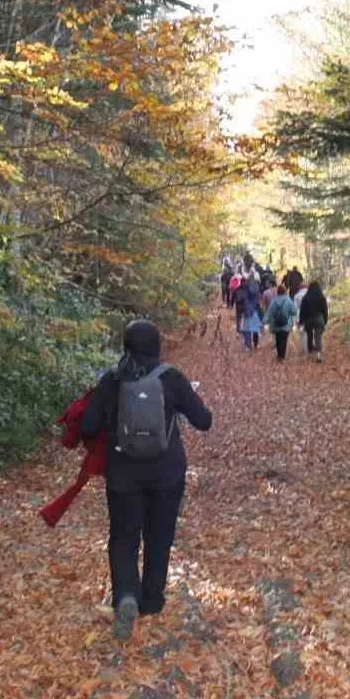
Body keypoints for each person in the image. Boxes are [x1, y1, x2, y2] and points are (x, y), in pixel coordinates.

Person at [80, 320, 212, 641]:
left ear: (126, 346)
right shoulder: (172, 378)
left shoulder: (111, 380)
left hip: (123, 474)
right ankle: (152, 600)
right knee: (160, 534)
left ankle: (126, 595)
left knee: (123, 538)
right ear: (157, 346)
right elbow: (204, 420)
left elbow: (87, 426)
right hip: (167, 473)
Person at [264, 283, 298, 362]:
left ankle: (279, 355)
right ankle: (282, 356)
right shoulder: (288, 300)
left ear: (278, 292)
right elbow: (294, 312)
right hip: (286, 324)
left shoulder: (274, 301)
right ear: (285, 291)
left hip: (276, 324)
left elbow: (269, 312)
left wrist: (265, 320)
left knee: (278, 339)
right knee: (284, 340)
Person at [299, 279, 328, 360]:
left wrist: (301, 321)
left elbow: (302, 311)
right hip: (318, 318)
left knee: (309, 336)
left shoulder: (305, 297)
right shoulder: (321, 297)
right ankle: (318, 354)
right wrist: (325, 320)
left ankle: (310, 353)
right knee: (318, 336)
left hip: (308, 320)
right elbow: (325, 310)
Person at [235, 273, 263, 349]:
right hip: (254, 310)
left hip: (247, 310)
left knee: (247, 329)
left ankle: (248, 345)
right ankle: (255, 344)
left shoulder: (246, 288)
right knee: (255, 329)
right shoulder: (257, 287)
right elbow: (258, 301)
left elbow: (242, 299)